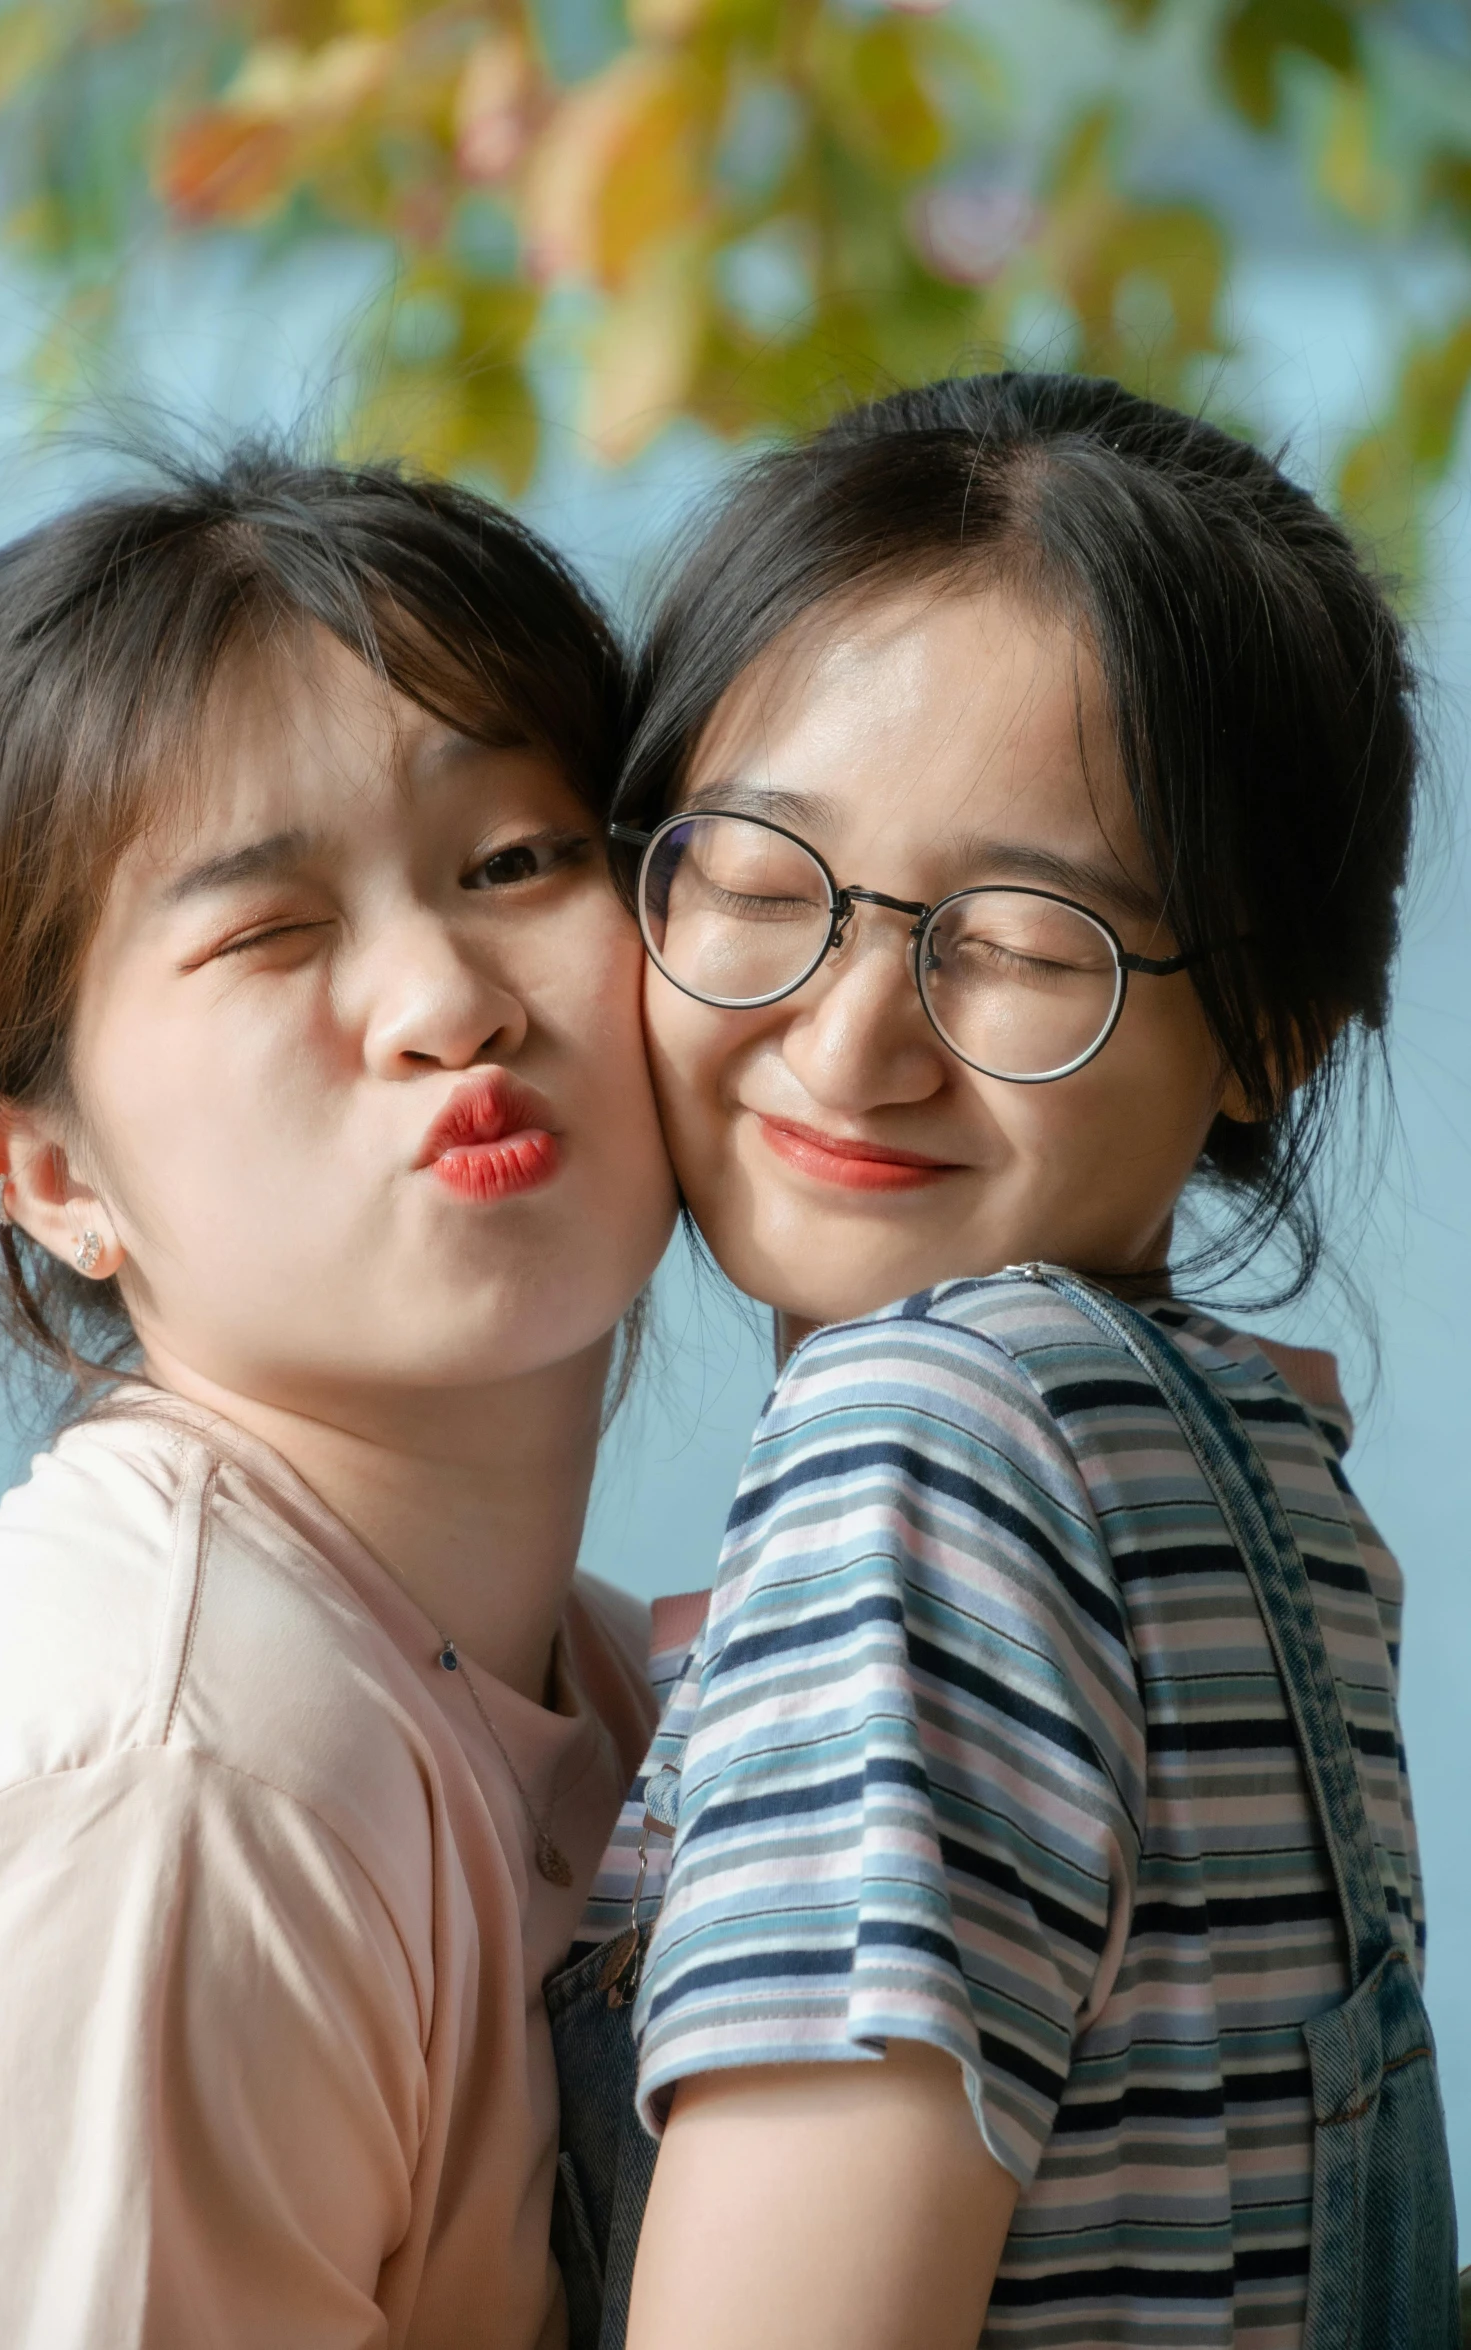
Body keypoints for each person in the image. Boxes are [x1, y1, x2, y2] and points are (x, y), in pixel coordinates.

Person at [576, 373, 1458, 2349]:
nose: (853, 1035)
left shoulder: (918, 1453)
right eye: (756, 874)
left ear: (1276, 1025)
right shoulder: (1254, 1463)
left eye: (1027, 936)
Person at [0, 447, 679, 2349]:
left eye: (514, 860)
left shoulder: (584, 1670)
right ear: (51, 1175)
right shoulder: (187, 1783)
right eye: (267, 931)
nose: (443, 999)